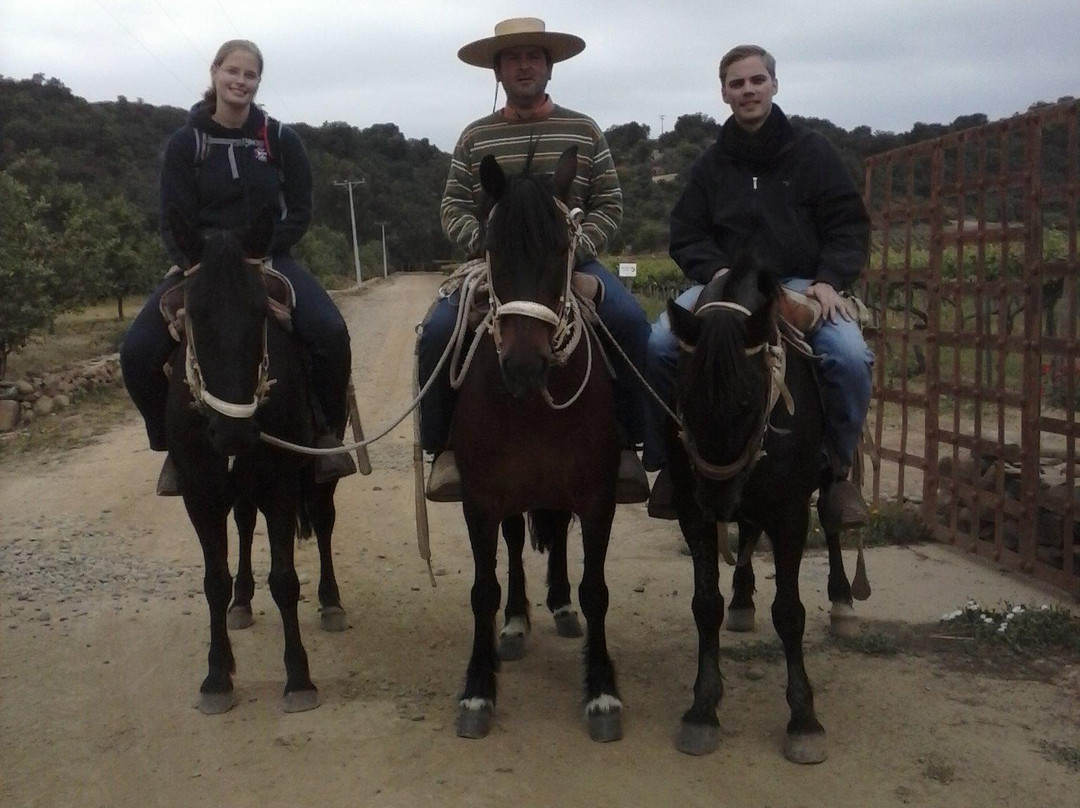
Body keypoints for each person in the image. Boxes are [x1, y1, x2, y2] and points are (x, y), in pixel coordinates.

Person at [419, 17, 651, 503]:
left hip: (570, 261)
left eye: (534, 57)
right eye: (512, 58)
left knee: (631, 323)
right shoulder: (474, 137)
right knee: (439, 331)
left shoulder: (584, 131)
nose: (524, 66)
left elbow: (610, 202)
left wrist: (575, 252)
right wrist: (487, 246)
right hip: (497, 263)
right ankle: (443, 451)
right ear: (498, 71)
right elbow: (451, 205)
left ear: (549, 67)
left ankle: (631, 444)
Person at [644, 44, 874, 529]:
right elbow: (687, 233)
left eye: (756, 80)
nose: (747, 90)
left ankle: (837, 471)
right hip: (722, 285)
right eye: (736, 83)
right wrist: (716, 272)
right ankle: (671, 463)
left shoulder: (814, 153)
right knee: (661, 344)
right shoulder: (709, 165)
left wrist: (830, 280)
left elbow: (847, 224)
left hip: (799, 285)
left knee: (849, 357)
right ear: (724, 93)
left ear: (774, 84)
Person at [120, 39, 355, 495]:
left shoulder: (282, 139)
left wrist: (261, 249)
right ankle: (169, 443)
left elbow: (301, 212)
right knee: (135, 353)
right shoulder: (186, 142)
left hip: (266, 256)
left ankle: (326, 436)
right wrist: (192, 264)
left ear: (258, 82)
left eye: (250, 75)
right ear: (215, 73)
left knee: (330, 332)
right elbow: (172, 216)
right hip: (200, 265)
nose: (240, 82)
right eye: (233, 72)